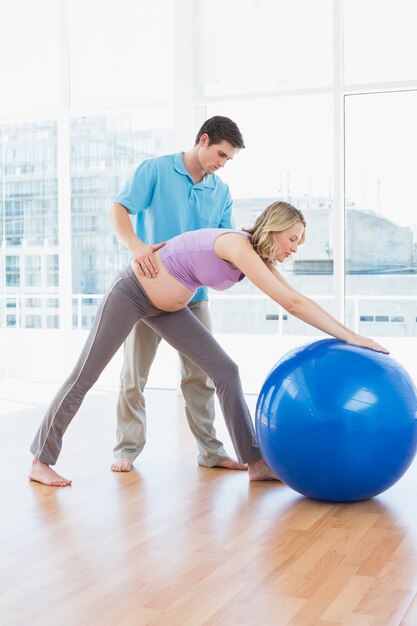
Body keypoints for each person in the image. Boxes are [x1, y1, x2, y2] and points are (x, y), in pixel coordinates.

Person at [29, 201, 389, 487]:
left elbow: (298, 298)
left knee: (225, 371)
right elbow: (291, 304)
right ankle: (40, 461)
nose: (294, 249)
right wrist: (350, 337)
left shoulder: (255, 258)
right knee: (84, 376)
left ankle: (257, 463)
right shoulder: (237, 245)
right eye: (293, 239)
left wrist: (350, 334)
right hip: (131, 293)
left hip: (167, 309)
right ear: (275, 229)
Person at [109, 115, 246, 474]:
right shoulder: (155, 170)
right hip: (148, 290)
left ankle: (211, 452)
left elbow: (224, 242)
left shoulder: (221, 191)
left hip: (195, 297)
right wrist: (137, 246)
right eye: (220, 154)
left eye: (228, 159)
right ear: (203, 140)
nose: (222, 164)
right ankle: (126, 449)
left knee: (201, 375)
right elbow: (119, 209)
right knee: (134, 375)